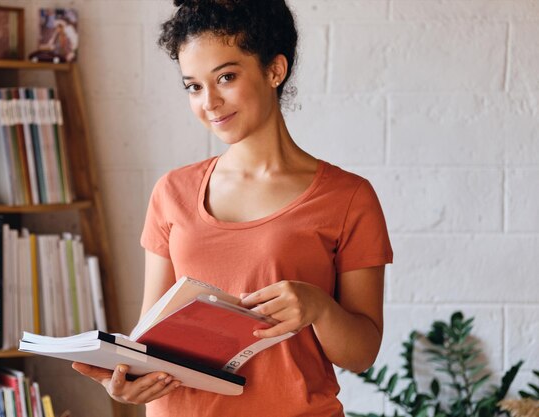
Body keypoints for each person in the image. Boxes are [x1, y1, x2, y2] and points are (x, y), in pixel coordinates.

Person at [72, 0, 393, 416]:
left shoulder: (348, 198)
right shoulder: (172, 191)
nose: (209, 102)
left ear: (274, 71)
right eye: (193, 86)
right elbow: (148, 338)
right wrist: (129, 381)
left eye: (225, 77)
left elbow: (361, 354)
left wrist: (318, 307)